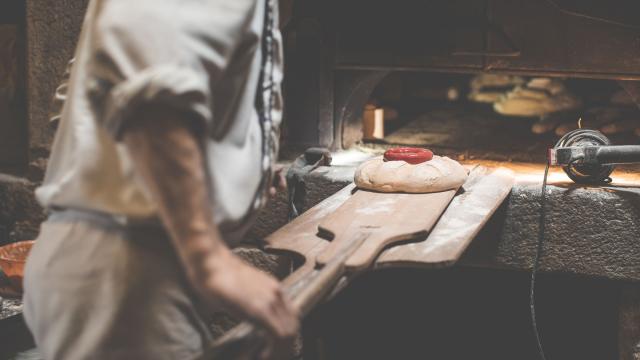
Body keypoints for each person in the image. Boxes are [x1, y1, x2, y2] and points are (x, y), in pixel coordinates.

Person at [22, 0, 299, 359]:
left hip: (129, 268)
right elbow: (146, 81)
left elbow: (99, 93)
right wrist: (207, 256)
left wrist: (236, 172)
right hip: (128, 274)